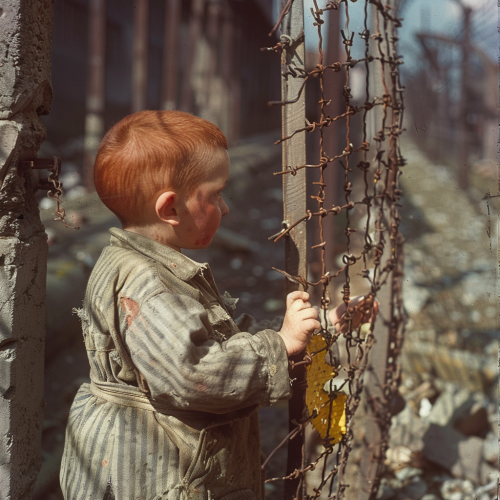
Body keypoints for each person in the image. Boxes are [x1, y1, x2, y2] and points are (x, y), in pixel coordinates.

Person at [60, 110, 374, 500]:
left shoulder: (150, 263)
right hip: (155, 472)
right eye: (216, 195)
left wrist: (312, 325)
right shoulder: (148, 284)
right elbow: (197, 373)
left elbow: (220, 332)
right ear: (170, 209)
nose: (225, 208)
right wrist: (279, 345)